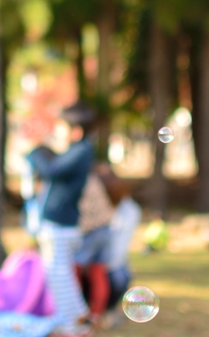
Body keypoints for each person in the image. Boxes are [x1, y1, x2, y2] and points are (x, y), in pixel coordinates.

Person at [27, 101, 97, 337]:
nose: (56, 131)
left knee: (59, 277)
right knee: (62, 275)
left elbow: (51, 170)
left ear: (75, 131)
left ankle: (71, 327)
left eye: (61, 127)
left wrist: (36, 150)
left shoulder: (81, 150)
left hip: (60, 225)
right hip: (60, 224)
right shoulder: (78, 150)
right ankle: (81, 318)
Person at [96, 164, 142, 328]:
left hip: (108, 265)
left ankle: (106, 310)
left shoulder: (128, 210)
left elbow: (118, 250)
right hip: (86, 263)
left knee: (120, 276)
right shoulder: (89, 207)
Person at [74, 168, 114, 324]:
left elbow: (82, 210)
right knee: (98, 272)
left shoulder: (78, 179)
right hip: (105, 228)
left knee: (74, 270)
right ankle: (96, 315)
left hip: (90, 230)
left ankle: (75, 313)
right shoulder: (92, 178)